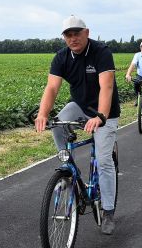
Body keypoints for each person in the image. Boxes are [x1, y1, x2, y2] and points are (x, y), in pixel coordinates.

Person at [35, 15, 120, 235]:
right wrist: (43, 114)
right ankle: (68, 167)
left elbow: (107, 87)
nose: (73, 39)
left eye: (77, 34)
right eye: (68, 35)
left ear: (87, 33)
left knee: (103, 160)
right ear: (64, 38)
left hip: (106, 112)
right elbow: (52, 88)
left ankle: (108, 211)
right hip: (79, 106)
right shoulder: (62, 57)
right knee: (57, 124)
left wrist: (101, 116)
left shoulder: (101, 52)